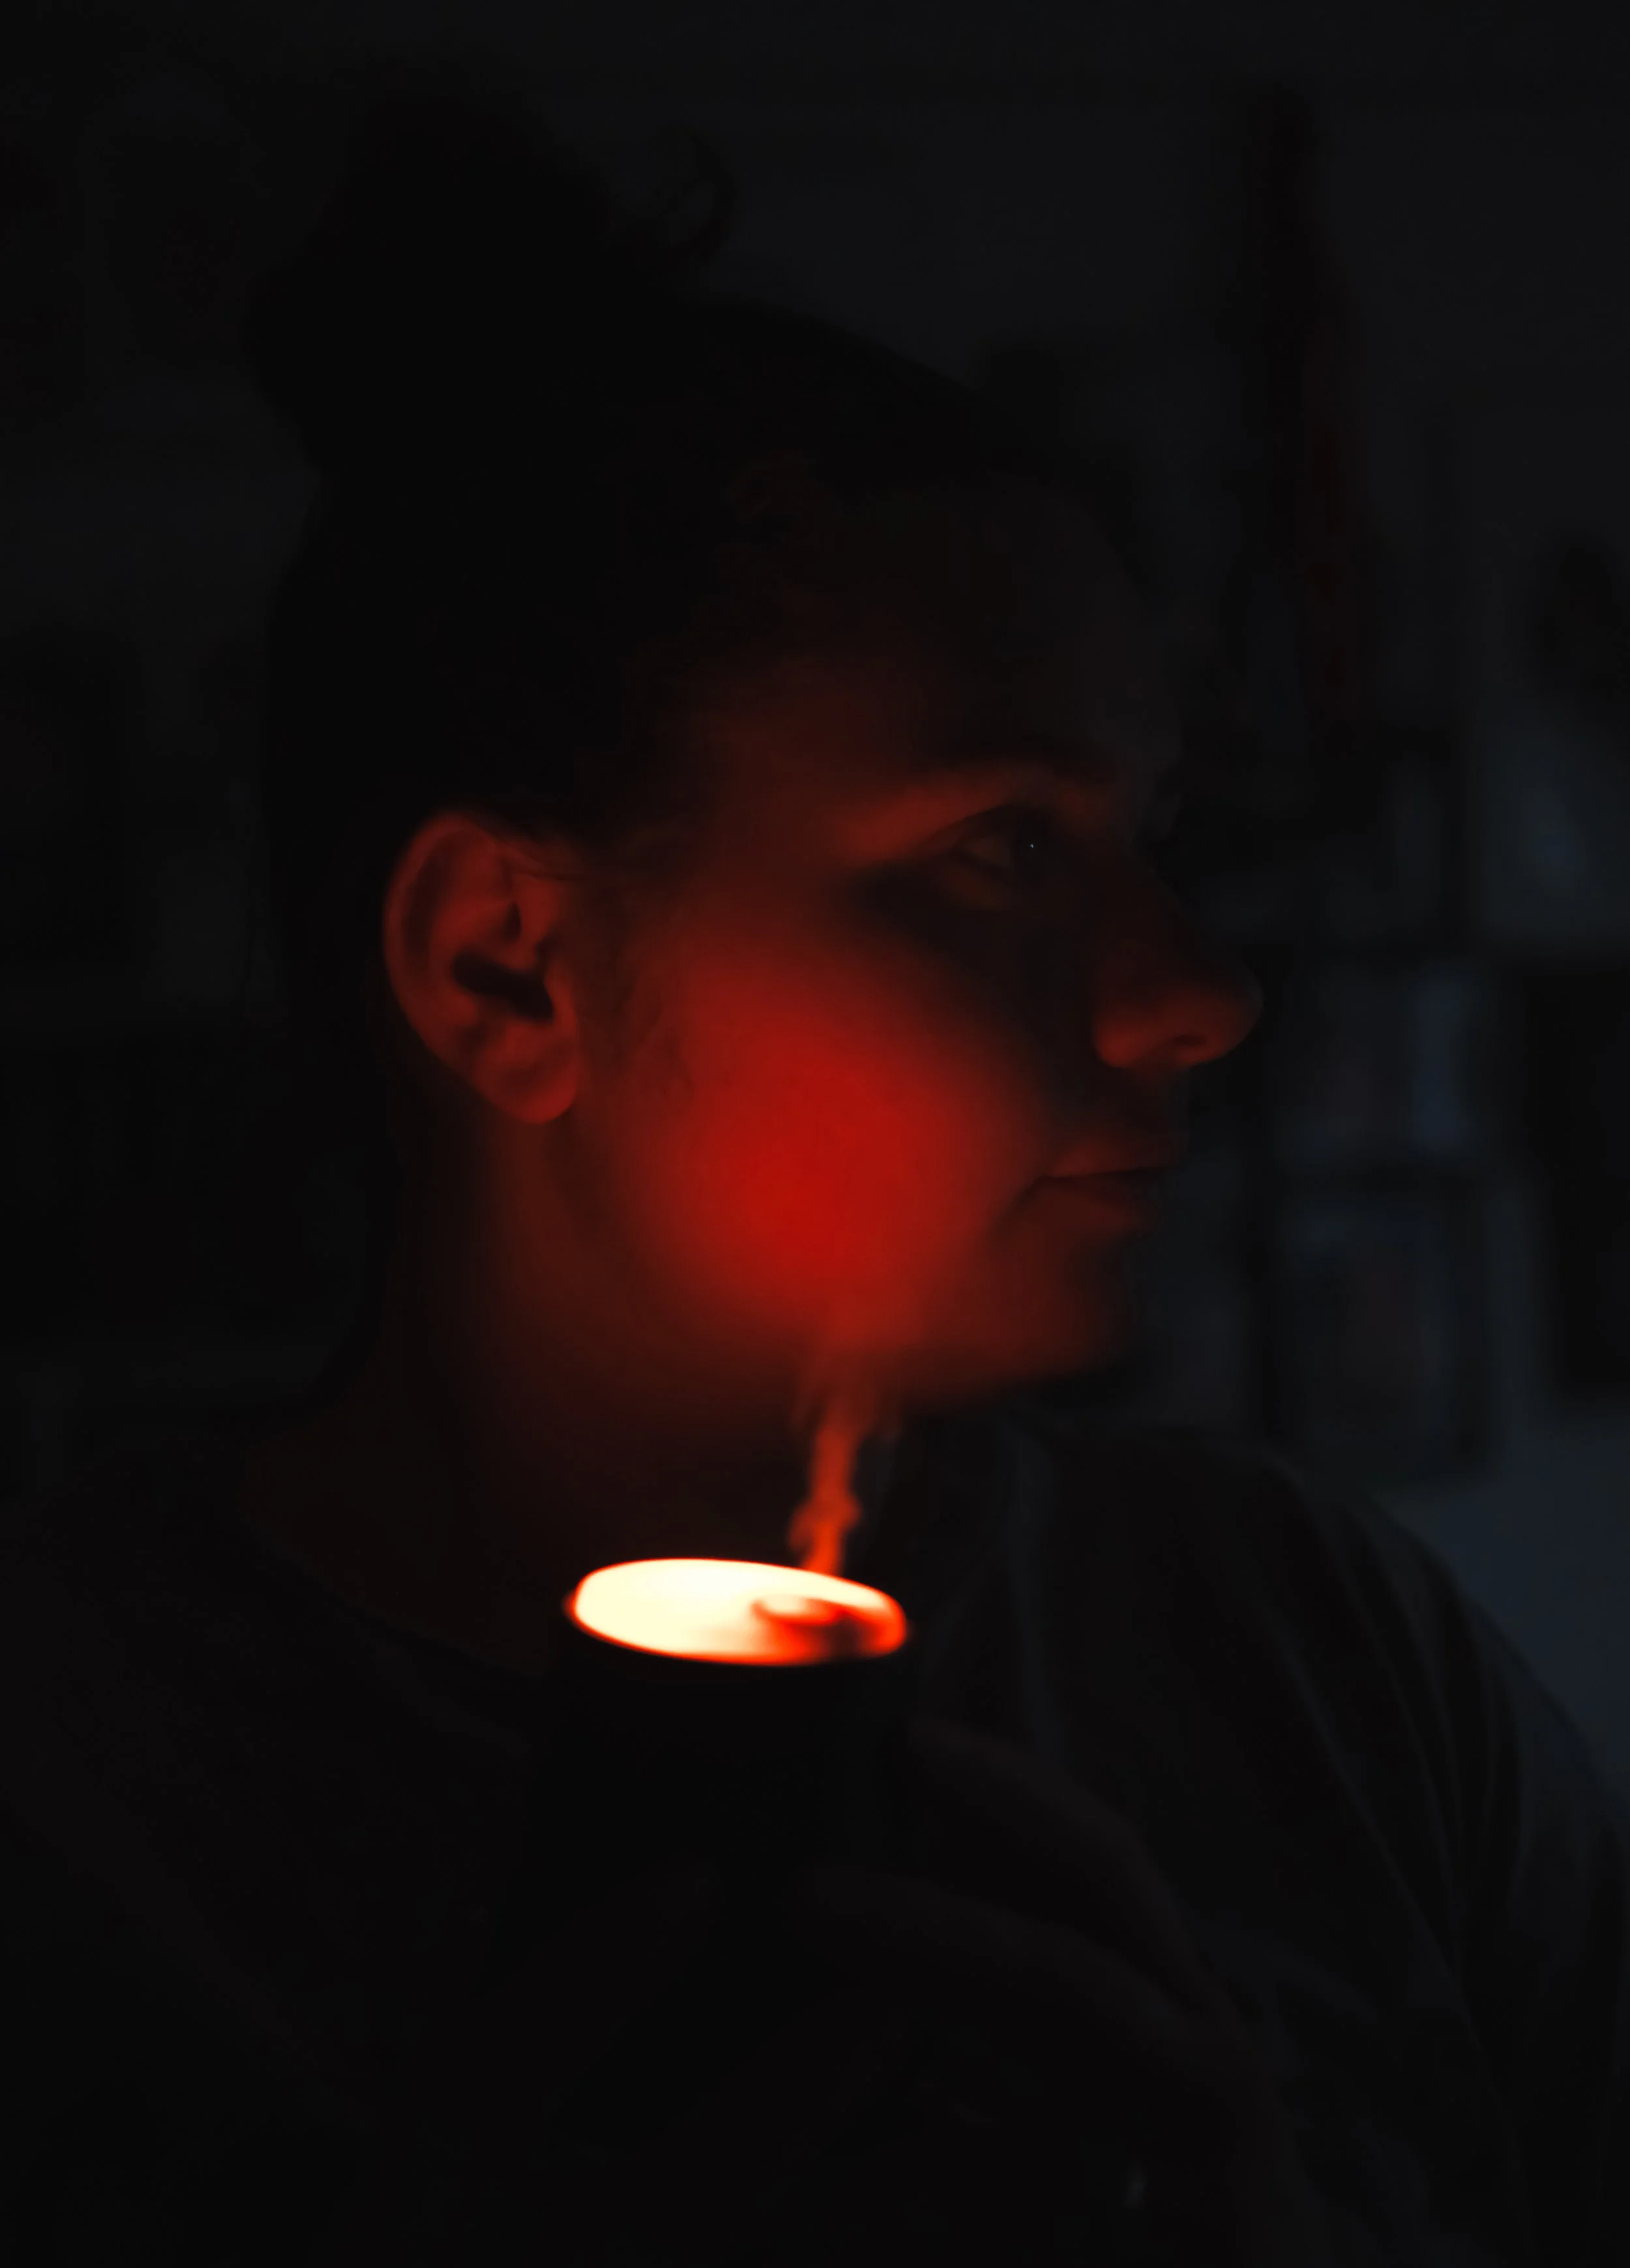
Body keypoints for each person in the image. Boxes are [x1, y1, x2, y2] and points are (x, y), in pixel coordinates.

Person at [2, 72, 1627, 2268]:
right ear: (510, 963)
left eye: (1144, 837)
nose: (1200, 987)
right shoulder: (77, 1815)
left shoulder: (1319, 1657)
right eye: (995, 851)